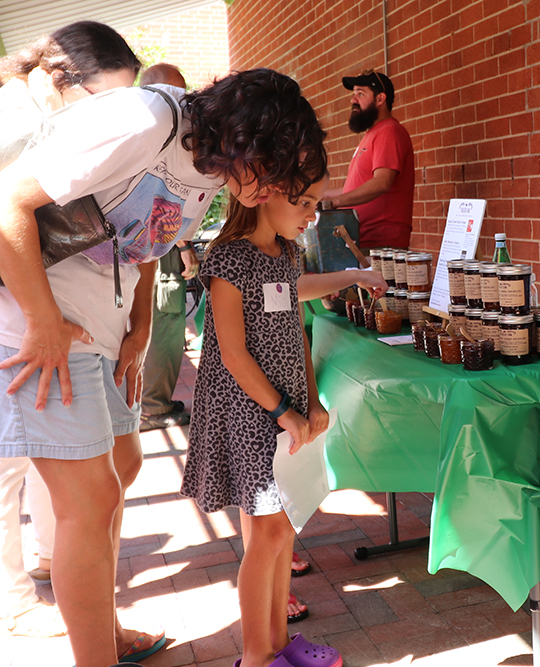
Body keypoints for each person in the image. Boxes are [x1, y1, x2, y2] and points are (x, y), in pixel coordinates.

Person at [0, 48, 327, 667]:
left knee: (122, 469)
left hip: (103, 326)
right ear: (238, 136)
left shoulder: (213, 171)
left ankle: (103, 631)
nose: (263, 189)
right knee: (87, 499)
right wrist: (41, 321)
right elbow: (8, 199)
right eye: (265, 168)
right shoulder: (144, 119)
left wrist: (141, 326)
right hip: (37, 321)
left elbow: (147, 239)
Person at [0, 21, 139, 641]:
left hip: (46, 331)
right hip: (20, 335)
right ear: (59, 77)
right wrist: (43, 321)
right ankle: (16, 604)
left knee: (71, 483)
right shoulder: (16, 121)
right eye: (103, 101)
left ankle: (75, 614)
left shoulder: (38, 114)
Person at [180, 175, 342, 667]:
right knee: (267, 532)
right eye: (305, 202)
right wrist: (285, 412)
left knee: (283, 528)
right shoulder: (228, 257)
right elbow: (231, 351)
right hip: (248, 412)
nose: (313, 214)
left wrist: (312, 402)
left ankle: (279, 647)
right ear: (268, 193)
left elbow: (295, 331)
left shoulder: (289, 254)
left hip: (287, 409)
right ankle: (256, 656)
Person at [137, 62, 200, 431]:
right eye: (178, 92)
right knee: (166, 323)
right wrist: (187, 244)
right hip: (160, 247)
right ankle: (154, 407)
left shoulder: (142, 132)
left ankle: (150, 403)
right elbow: (174, 198)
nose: (184, 100)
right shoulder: (165, 133)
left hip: (146, 245)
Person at [325, 69, 414, 250]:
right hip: (363, 240)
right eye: (353, 94)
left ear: (380, 99)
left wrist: (335, 203)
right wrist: (317, 196)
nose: (353, 100)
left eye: (360, 94)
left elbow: (382, 183)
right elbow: (354, 188)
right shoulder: (373, 134)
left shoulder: (389, 131)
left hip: (382, 244)